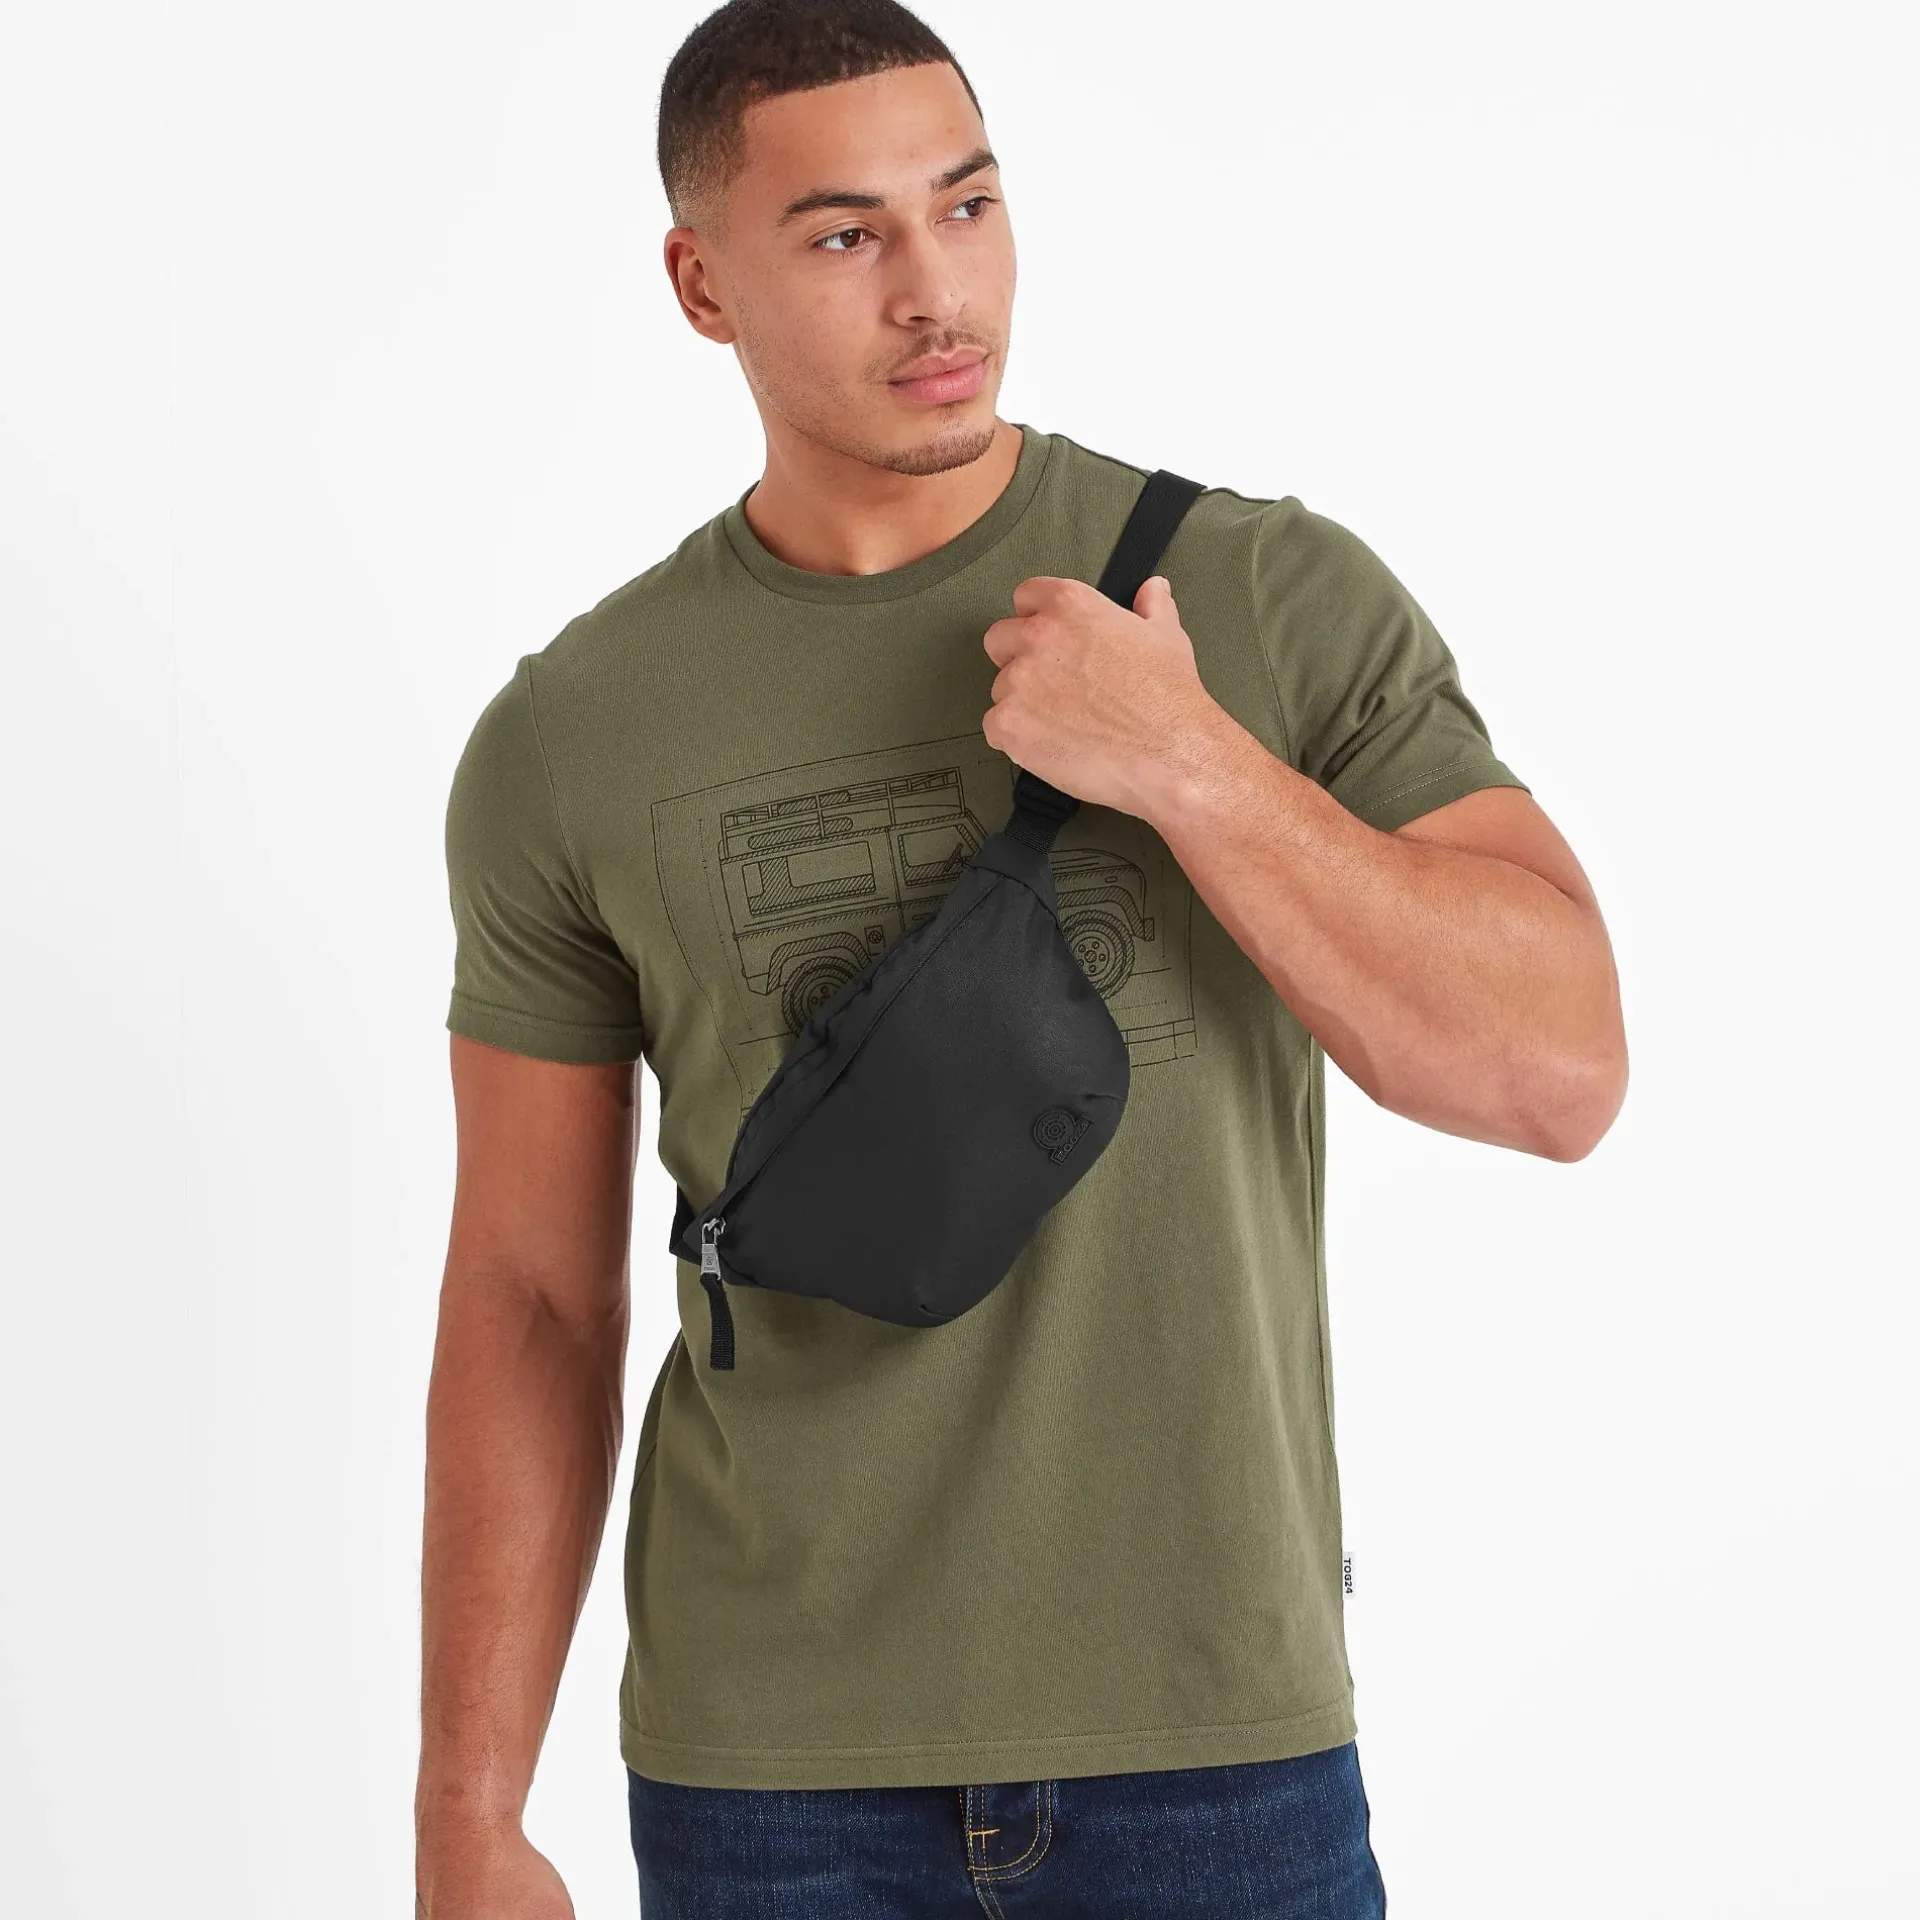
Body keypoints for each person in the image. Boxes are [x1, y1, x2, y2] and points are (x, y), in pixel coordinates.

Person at [412, 2, 1629, 1914]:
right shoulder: (573, 735)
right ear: (701, 284)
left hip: (1216, 1747)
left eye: (967, 206)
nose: (935, 289)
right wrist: (469, 1813)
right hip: (770, 1782)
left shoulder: (1260, 593)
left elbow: (1557, 1075)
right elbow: (531, 1299)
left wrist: (1193, 765)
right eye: (845, 234)